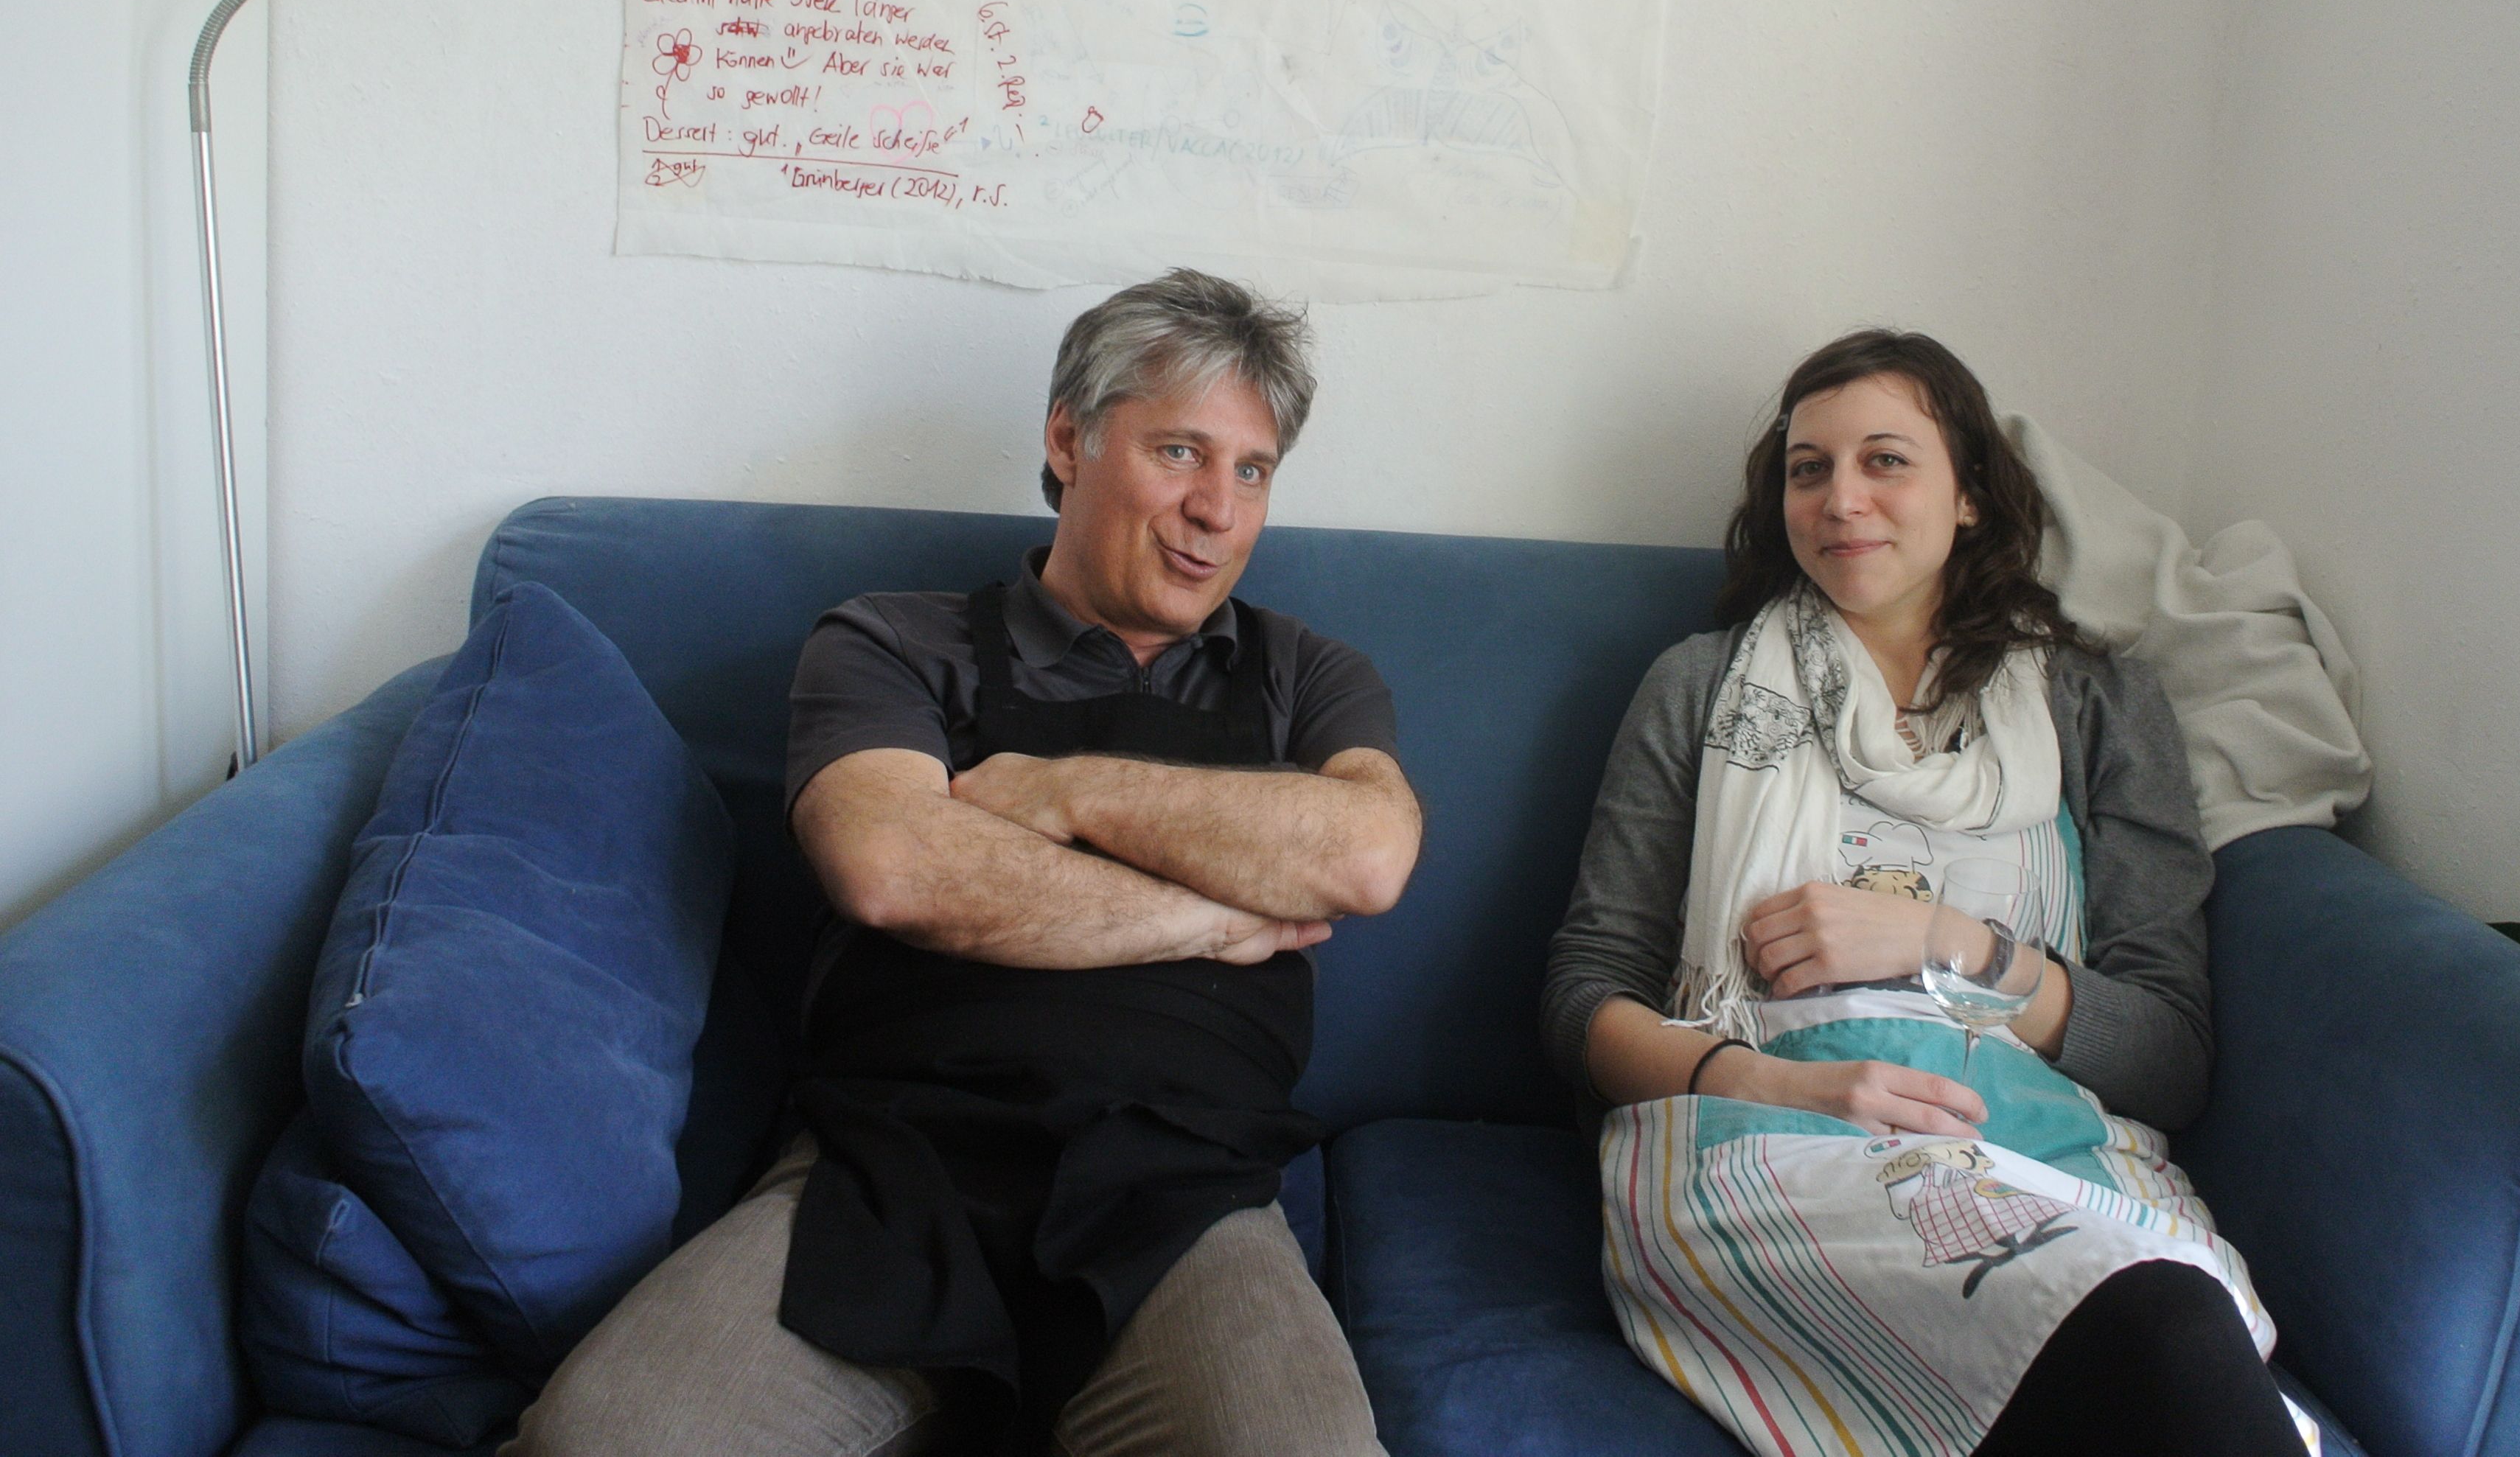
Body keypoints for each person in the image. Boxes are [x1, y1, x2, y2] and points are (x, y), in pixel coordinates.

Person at [507, 269, 1422, 1457]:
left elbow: (1368, 854)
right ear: (1068, 440)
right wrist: (1212, 914)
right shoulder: (896, 640)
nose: (1217, 510)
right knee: (604, 1441)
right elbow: (894, 867)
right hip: (889, 1172)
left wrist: (1064, 792)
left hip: (1187, 1196)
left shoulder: (1309, 674)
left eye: (1253, 472)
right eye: (1181, 452)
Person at [1540, 330, 2314, 1457]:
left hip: (2047, 1146)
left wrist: (1952, 945)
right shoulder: (1701, 686)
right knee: (2158, 1336)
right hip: (1771, 1139)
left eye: (1886, 461)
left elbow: (2168, 1057)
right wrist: (1777, 1084)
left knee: (2162, 1322)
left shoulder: (2097, 705)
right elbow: (1583, 997)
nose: (1840, 499)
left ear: (1970, 496)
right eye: (1809, 469)